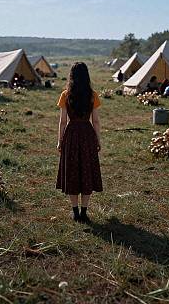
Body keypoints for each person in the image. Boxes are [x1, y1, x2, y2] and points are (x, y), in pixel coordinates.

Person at [56, 62, 102, 223]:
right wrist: (98, 139)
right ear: (87, 76)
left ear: (71, 76)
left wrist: (59, 141)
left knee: (73, 172)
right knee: (87, 172)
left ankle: (75, 212)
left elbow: (62, 122)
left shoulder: (65, 94)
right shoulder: (93, 95)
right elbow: (95, 121)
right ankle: (84, 212)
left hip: (71, 135)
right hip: (88, 135)